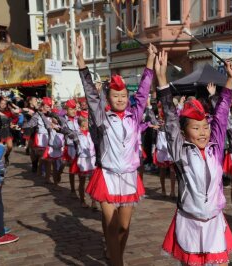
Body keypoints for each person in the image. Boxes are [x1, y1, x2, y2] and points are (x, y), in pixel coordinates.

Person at [76, 35, 155, 266]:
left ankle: (115, 254)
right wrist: (81, 61)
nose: (120, 99)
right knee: (111, 227)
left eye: (123, 96)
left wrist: (149, 61)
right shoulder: (102, 117)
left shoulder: (135, 115)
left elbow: (144, 90)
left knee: (123, 226)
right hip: (107, 176)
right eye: (115, 95)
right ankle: (117, 262)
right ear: (108, 98)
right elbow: (91, 94)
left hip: (129, 176)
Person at [157, 51, 232, 265]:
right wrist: (163, 79)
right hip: (189, 221)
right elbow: (171, 119)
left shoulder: (216, 148)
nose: (202, 132)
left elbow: (221, 116)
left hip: (214, 221)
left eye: (205, 127)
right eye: (196, 128)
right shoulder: (180, 151)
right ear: (185, 132)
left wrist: (229, 81)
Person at [153, 101, 176, 198]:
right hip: (161, 142)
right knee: (162, 168)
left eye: (160, 107)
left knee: (172, 169)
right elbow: (151, 122)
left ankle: (172, 191)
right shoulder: (156, 117)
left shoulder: (171, 115)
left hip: (170, 142)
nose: (159, 110)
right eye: (158, 108)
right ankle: (163, 190)